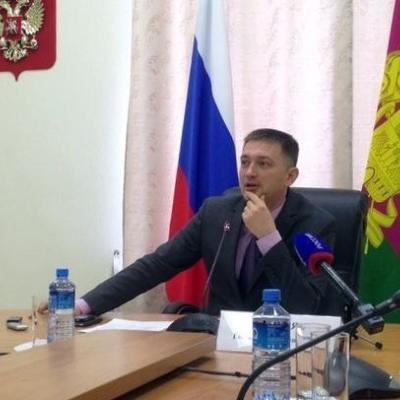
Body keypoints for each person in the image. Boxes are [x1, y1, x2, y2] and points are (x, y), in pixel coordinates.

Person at [39, 128, 335, 317]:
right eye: (245, 162)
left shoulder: (316, 224)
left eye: (263, 164)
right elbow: (157, 265)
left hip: (279, 348)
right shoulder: (217, 212)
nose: (249, 173)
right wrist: (82, 306)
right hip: (216, 345)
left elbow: (308, 306)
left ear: (290, 176)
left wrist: (269, 238)